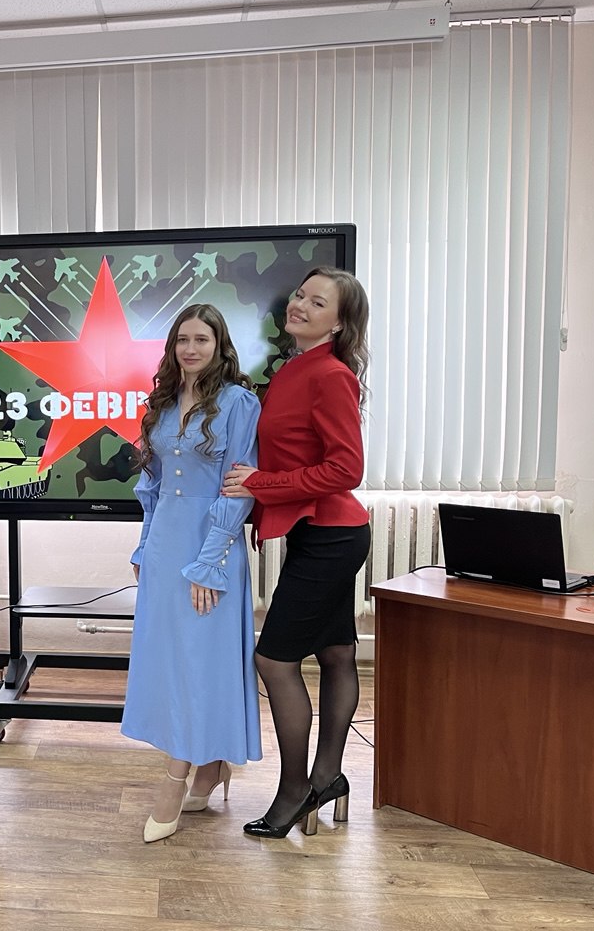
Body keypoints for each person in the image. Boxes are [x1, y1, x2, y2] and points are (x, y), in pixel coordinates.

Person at [223, 266, 371, 839]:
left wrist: (261, 484)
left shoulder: (330, 375)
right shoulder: (293, 368)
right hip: (320, 534)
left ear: (338, 323)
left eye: (318, 302)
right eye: (301, 295)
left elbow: (346, 469)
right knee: (334, 654)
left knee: (274, 660)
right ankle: (328, 778)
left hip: (333, 537)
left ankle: (295, 790)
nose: (301, 305)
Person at [121, 303, 262, 843]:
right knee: (170, 663)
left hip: (211, 548)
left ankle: (174, 783)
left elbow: (241, 486)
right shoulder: (161, 403)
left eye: (202, 338)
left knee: (199, 664)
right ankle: (209, 766)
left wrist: (210, 562)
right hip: (164, 545)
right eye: (183, 339)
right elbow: (153, 487)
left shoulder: (238, 403)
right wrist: (144, 545)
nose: (191, 348)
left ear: (220, 344)